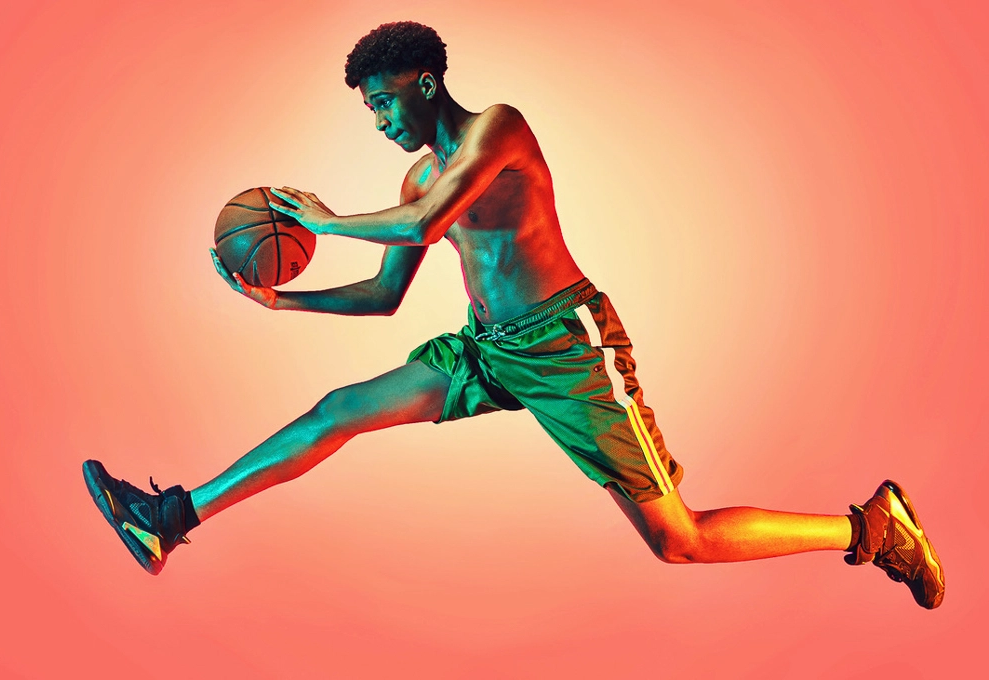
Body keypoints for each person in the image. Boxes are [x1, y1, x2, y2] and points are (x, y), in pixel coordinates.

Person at [82, 21, 944, 609]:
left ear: (426, 83)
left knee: (676, 540)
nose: (379, 120)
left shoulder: (498, 129)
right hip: (485, 350)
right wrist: (283, 301)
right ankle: (171, 519)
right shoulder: (418, 176)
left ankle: (871, 527)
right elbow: (384, 295)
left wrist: (322, 220)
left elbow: (425, 224)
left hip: (568, 347)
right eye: (369, 108)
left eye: (385, 101)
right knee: (338, 410)